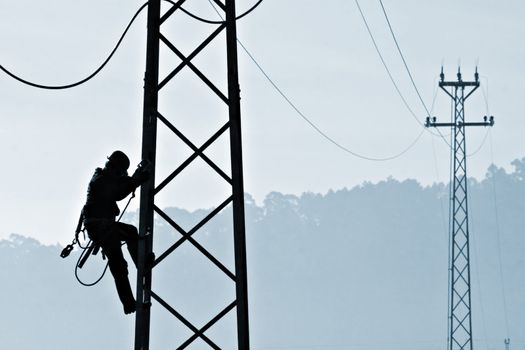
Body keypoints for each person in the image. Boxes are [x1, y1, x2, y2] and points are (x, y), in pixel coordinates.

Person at [82, 150, 149, 314]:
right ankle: (142, 264)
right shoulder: (100, 181)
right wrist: (136, 181)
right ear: (113, 168)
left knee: (119, 263)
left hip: (103, 228)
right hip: (102, 229)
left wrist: (135, 177)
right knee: (119, 263)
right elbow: (118, 193)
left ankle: (129, 301)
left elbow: (121, 184)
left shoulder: (105, 177)